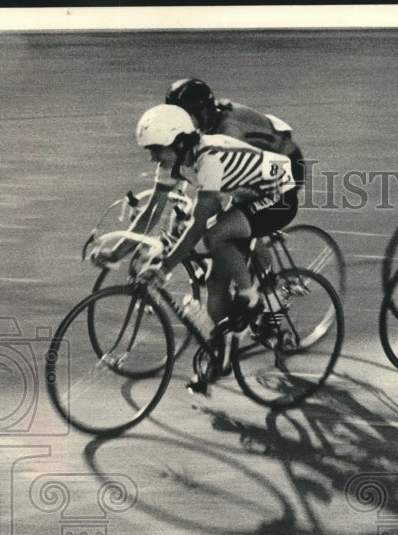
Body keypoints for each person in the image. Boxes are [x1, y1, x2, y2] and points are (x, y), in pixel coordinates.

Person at [92, 104, 299, 388]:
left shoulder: (209, 157)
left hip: (279, 193)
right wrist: (116, 252)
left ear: (178, 142)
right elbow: (151, 213)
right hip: (246, 191)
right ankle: (223, 353)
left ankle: (252, 299)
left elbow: (200, 222)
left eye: (156, 149)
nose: (152, 157)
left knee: (215, 235)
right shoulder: (172, 162)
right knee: (215, 282)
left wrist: (164, 268)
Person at [165, 78, 306, 190]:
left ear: (202, 112)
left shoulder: (230, 130)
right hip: (271, 159)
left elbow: (221, 181)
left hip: (288, 165)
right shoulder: (213, 117)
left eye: (183, 115)